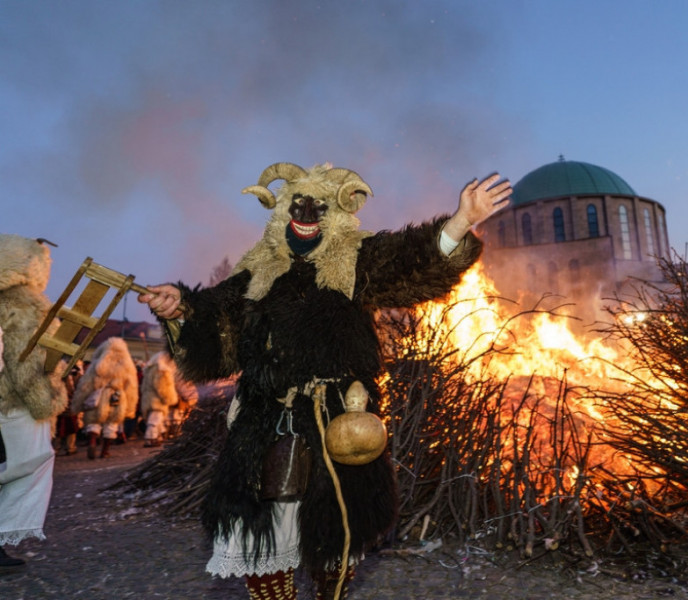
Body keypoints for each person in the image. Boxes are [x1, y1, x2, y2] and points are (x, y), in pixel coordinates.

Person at [139, 162, 511, 600]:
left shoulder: (354, 259)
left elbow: (410, 261)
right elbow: (213, 329)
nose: (307, 212)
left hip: (339, 420)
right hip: (265, 422)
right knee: (263, 536)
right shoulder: (256, 275)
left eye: (317, 205)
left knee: (337, 531)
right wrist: (180, 307)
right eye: (298, 204)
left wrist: (461, 221)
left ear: (334, 212)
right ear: (282, 212)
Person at [0, 234, 68, 570]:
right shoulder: (25, 303)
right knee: (24, 466)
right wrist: (44, 401)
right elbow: (23, 361)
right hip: (16, 407)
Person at [69, 337, 139, 460]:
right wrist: (130, 408)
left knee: (93, 421)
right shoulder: (128, 366)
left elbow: (86, 385)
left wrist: (78, 403)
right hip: (117, 397)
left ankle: (92, 442)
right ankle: (105, 451)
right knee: (111, 424)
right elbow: (131, 388)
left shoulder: (97, 364)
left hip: (98, 395)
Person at [140, 351, 179, 447]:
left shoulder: (150, 369)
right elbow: (163, 387)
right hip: (158, 400)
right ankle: (150, 439)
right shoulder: (162, 371)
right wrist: (170, 398)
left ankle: (157, 437)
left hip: (149, 398)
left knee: (156, 420)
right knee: (155, 420)